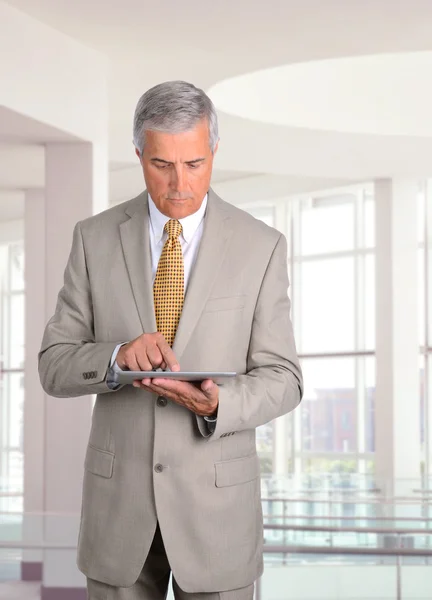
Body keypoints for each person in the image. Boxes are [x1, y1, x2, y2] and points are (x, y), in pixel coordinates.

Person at [38, 80, 303, 600]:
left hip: (218, 521)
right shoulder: (93, 239)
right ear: (138, 154)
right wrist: (113, 357)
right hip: (119, 518)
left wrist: (219, 404)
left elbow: (284, 379)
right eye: (162, 165)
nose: (179, 184)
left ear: (215, 152)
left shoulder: (261, 246)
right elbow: (54, 365)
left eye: (195, 164)